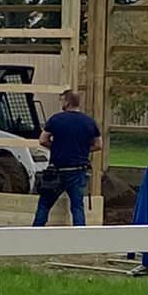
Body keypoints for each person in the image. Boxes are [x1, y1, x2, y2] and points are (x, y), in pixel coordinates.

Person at [33, 88, 102, 228]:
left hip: (57, 171)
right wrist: (82, 150)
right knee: (77, 207)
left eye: (62, 101)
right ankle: (79, 238)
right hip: (78, 171)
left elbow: (42, 140)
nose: (61, 104)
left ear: (67, 102)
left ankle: (35, 234)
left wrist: (57, 147)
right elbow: (99, 144)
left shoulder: (56, 119)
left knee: (45, 204)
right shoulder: (89, 122)